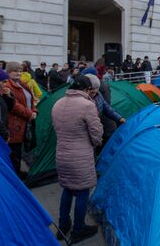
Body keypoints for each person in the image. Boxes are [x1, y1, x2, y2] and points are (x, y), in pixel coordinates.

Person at [52, 76, 103, 243]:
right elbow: (96, 134)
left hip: (61, 154)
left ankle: (63, 225)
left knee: (67, 189)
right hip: (80, 157)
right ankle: (78, 229)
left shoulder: (58, 103)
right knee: (82, 191)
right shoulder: (88, 105)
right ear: (87, 90)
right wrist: (96, 140)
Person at [5, 61, 37, 177]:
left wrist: (34, 110)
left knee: (23, 148)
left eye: (20, 70)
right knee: (15, 151)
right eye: (15, 71)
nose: (18, 73)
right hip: (15, 123)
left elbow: (31, 99)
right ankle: (14, 175)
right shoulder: (7, 85)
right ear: (8, 72)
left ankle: (17, 172)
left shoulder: (23, 84)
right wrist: (29, 113)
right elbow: (14, 105)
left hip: (26, 121)